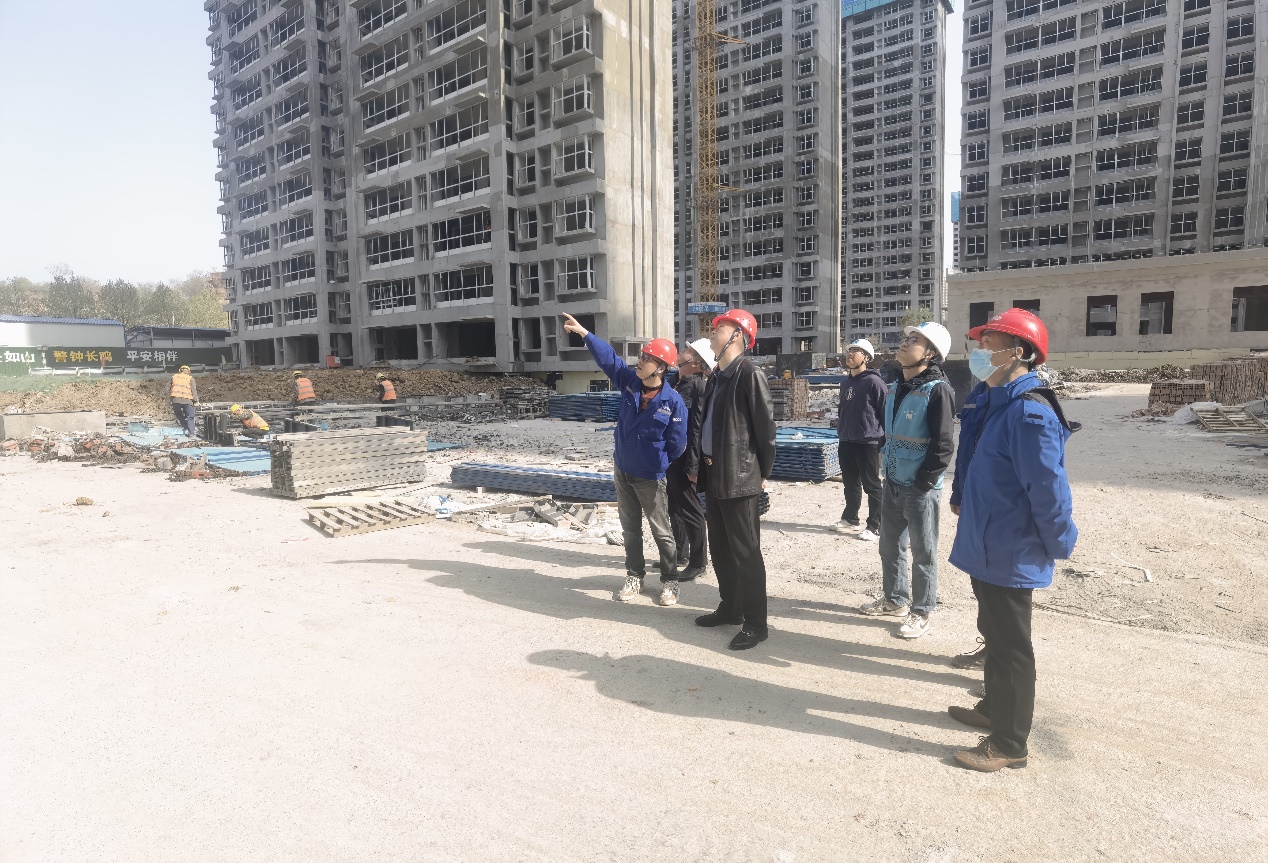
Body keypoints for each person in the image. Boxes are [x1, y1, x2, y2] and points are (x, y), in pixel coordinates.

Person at [946, 309, 1078, 772]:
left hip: (1011, 547)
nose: (979, 352)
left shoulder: (1029, 413)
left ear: (1018, 353)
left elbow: (1049, 490)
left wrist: (1059, 541)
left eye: (989, 345)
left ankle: (1009, 743)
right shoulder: (993, 400)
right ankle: (992, 708)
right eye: (979, 344)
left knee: (1011, 647)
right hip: (987, 543)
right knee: (994, 634)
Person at [561, 313, 688, 607]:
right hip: (623, 470)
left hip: (650, 476)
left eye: (646, 358)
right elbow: (609, 360)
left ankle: (670, 580)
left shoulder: (672, 402)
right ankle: (634, 575)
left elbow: (678, 444)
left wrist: (656, 462)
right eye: (641, 356)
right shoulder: (630, 382)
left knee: (661, 531)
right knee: (630, 530)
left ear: (661, 368)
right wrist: (585, 334)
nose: (639, 362)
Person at [858, 321, 954, 640]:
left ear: (930, 353)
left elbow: (943, 445)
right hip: (893, 480)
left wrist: (924, 482)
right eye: (907, 337)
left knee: (923, 553)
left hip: (920, 488)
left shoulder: (937, 390)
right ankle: (895, 600)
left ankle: (922, 610)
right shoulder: (896, 385)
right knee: (889, 546)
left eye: (914, 340)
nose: (905, 343)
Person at [694, 309, 776, 651]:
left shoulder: (749, 374)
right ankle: (731, 607)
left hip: (740, 476)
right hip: (715, 472)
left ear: (737, 335)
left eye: (719, 328)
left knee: (746, 552)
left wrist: (762, 474)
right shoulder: (717, 376)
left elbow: (765, 430)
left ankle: (756, 624)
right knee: (721, 548)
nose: (712, 333)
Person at [667, 338, 716, 582]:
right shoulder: (672, 382)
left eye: (688, 350)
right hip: (669, 456)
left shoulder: (699, 387)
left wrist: (693, 465)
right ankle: (679, 553)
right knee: (673, 506)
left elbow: (696, 429)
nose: (682, 351)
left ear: (696, 362)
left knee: (690, 509)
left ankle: (698, 562)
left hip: (686, 457)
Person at [834, 338, 887, 540]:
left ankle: (875, 525)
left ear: (866, 357)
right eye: (849, 351)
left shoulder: (874, 382)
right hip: (847, 440)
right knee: (850, 483)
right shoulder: (845, 383)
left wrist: (885, 440)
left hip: (868, 442)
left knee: (872, 485)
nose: (850, 354)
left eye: (855, 351)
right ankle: (850, 518)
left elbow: (885, 412)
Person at [169, 364, 199, 437]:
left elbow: (167, 388)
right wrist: (196, 401)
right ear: (188, 371)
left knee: (179, 414)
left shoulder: (174, 377)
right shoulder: (190, 378)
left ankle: (186, 427)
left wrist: (166, 398)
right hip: (187, 400)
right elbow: (194, 390)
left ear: (180, 371)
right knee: (190, 417)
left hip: (176, 400)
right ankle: (191, 433)